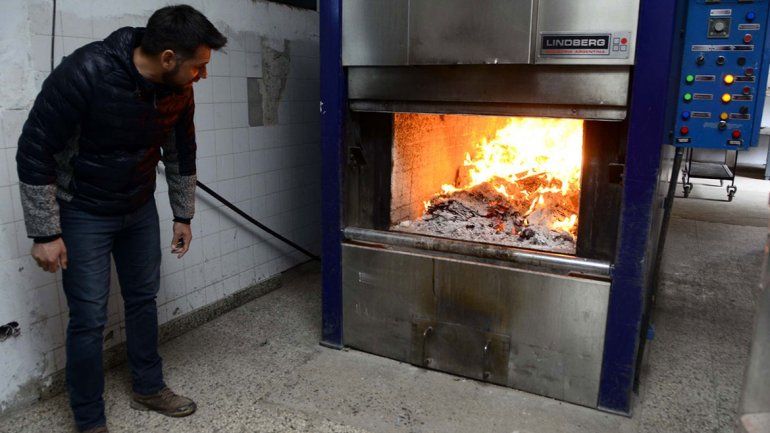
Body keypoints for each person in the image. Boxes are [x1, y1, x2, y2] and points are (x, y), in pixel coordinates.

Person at [15, 5, 227, 433]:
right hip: (82, 211)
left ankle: (149, 386)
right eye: (198, 67)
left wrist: (182, 215)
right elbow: (34, 149)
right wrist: (45, 232)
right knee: (89, 318)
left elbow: (181, 151)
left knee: (143, 298)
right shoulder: (85, 71)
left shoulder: (178, 89)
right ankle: (90, 420)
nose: (202, 75)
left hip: (138, 207)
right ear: (168, 58)